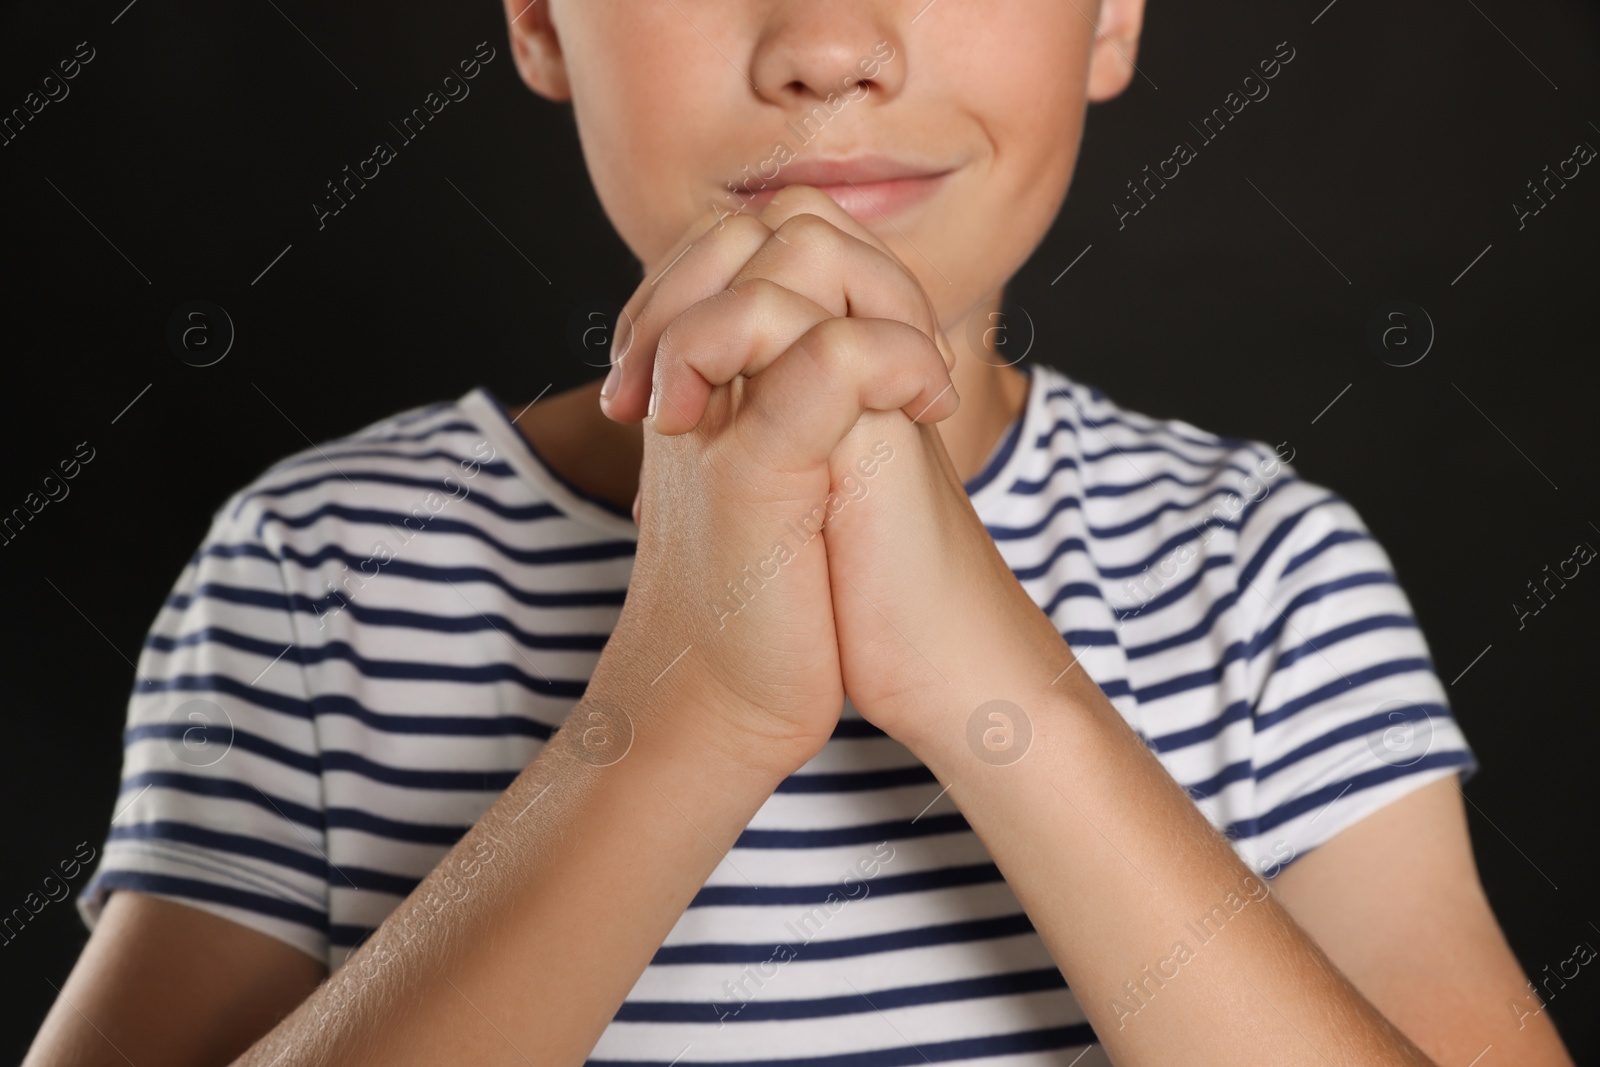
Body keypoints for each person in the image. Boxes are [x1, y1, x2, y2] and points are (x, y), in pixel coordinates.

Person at [24, 1, 1576, 1064]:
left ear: (1112, 13)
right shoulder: (318, 576)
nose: (830, 46)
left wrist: (985, 679)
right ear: (541, 18)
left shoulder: (1262, 573)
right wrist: (698, 709)